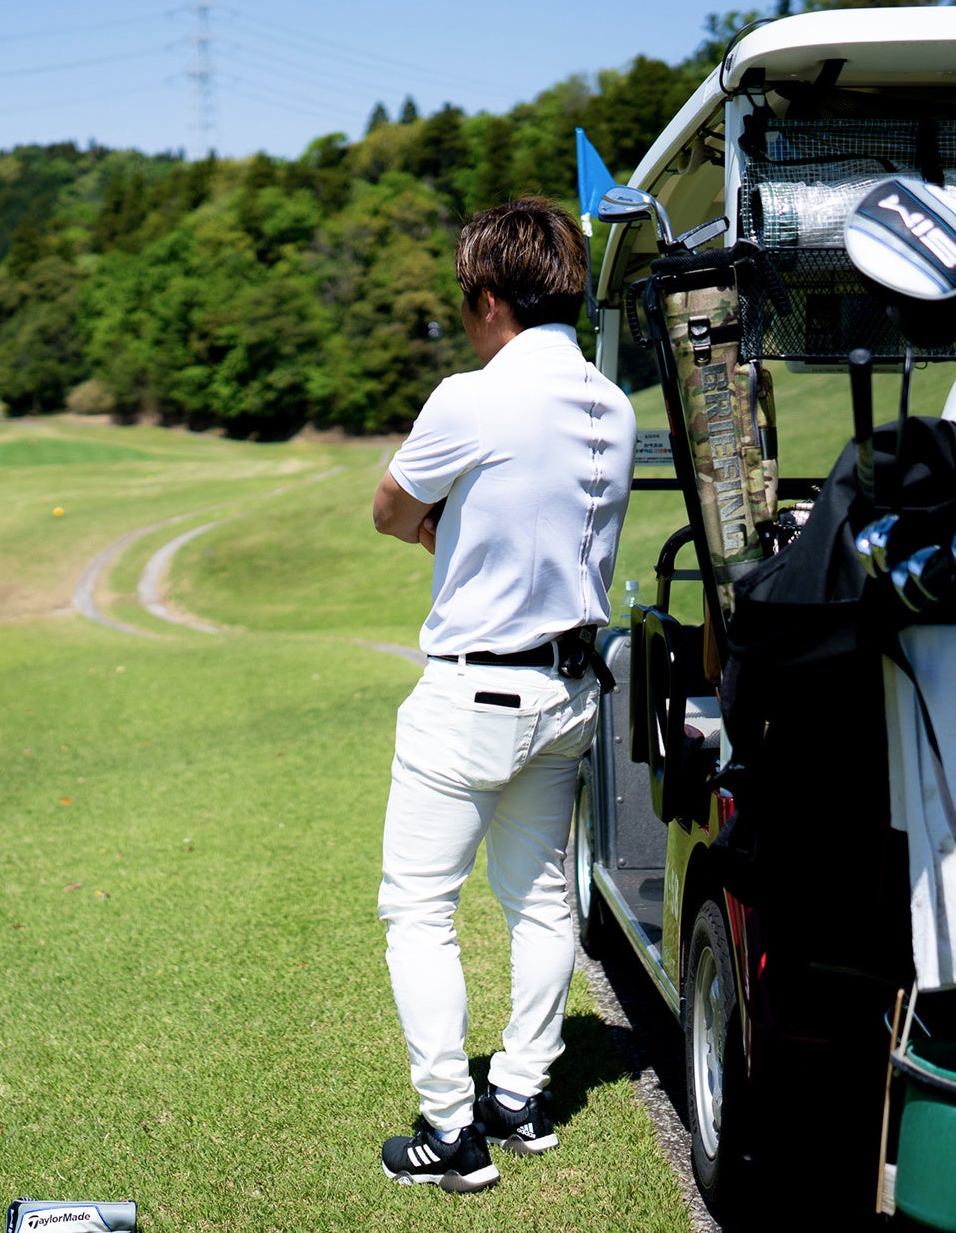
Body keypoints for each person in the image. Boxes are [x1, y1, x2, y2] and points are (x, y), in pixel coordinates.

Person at [371, 198, 636, 1191]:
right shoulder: (614, 404)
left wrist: (437, 532)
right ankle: (519, 1095)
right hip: (567, 692)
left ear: (488, 297)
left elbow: (389, 508)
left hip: (473, 694)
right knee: (539, 899)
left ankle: (451, 1129)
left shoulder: (471, 397)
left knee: (418, 909)